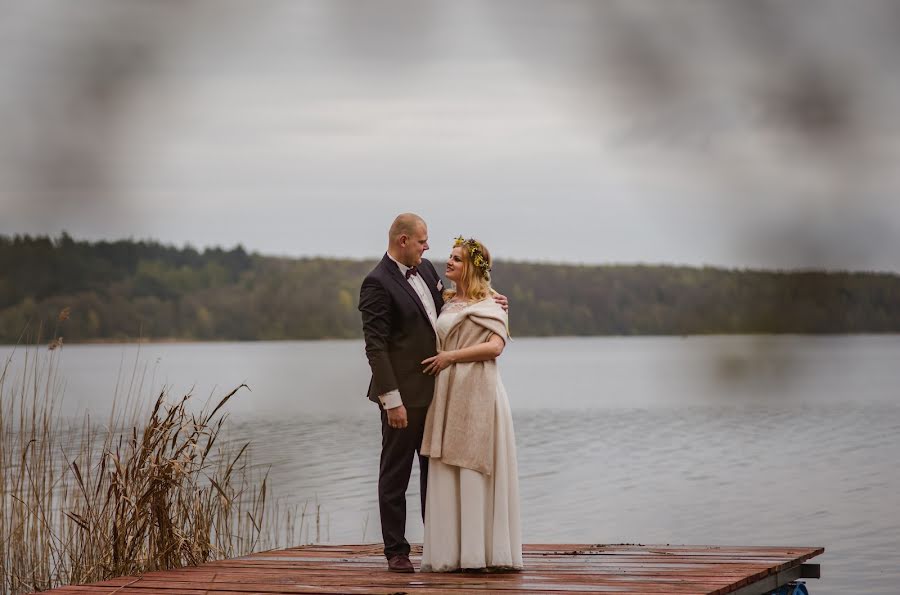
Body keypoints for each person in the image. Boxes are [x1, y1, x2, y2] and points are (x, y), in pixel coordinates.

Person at [359, 214, 508, 573]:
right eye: (423, 241)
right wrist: (391, 400)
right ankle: (396, 551)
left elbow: (450, 300)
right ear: (403, 240)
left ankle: (440, 546)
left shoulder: (424, 269)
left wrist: (490, 298)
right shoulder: (376, 283)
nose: (429, 248)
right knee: (395, 474)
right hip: (403, 399)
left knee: (435, 476)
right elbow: (375, 347)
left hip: (439, 397)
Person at [419, 236, 523, 572]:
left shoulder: (491, 306)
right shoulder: (446, 302)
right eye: (449, 257)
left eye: (457, 259)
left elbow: (495, 348)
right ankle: (450, 554)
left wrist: (450, 357)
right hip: (447, 393)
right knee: (448, 468)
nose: (448, 262)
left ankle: (480, 554)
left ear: (473, 268)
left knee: (474, 468)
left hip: (481, 392)